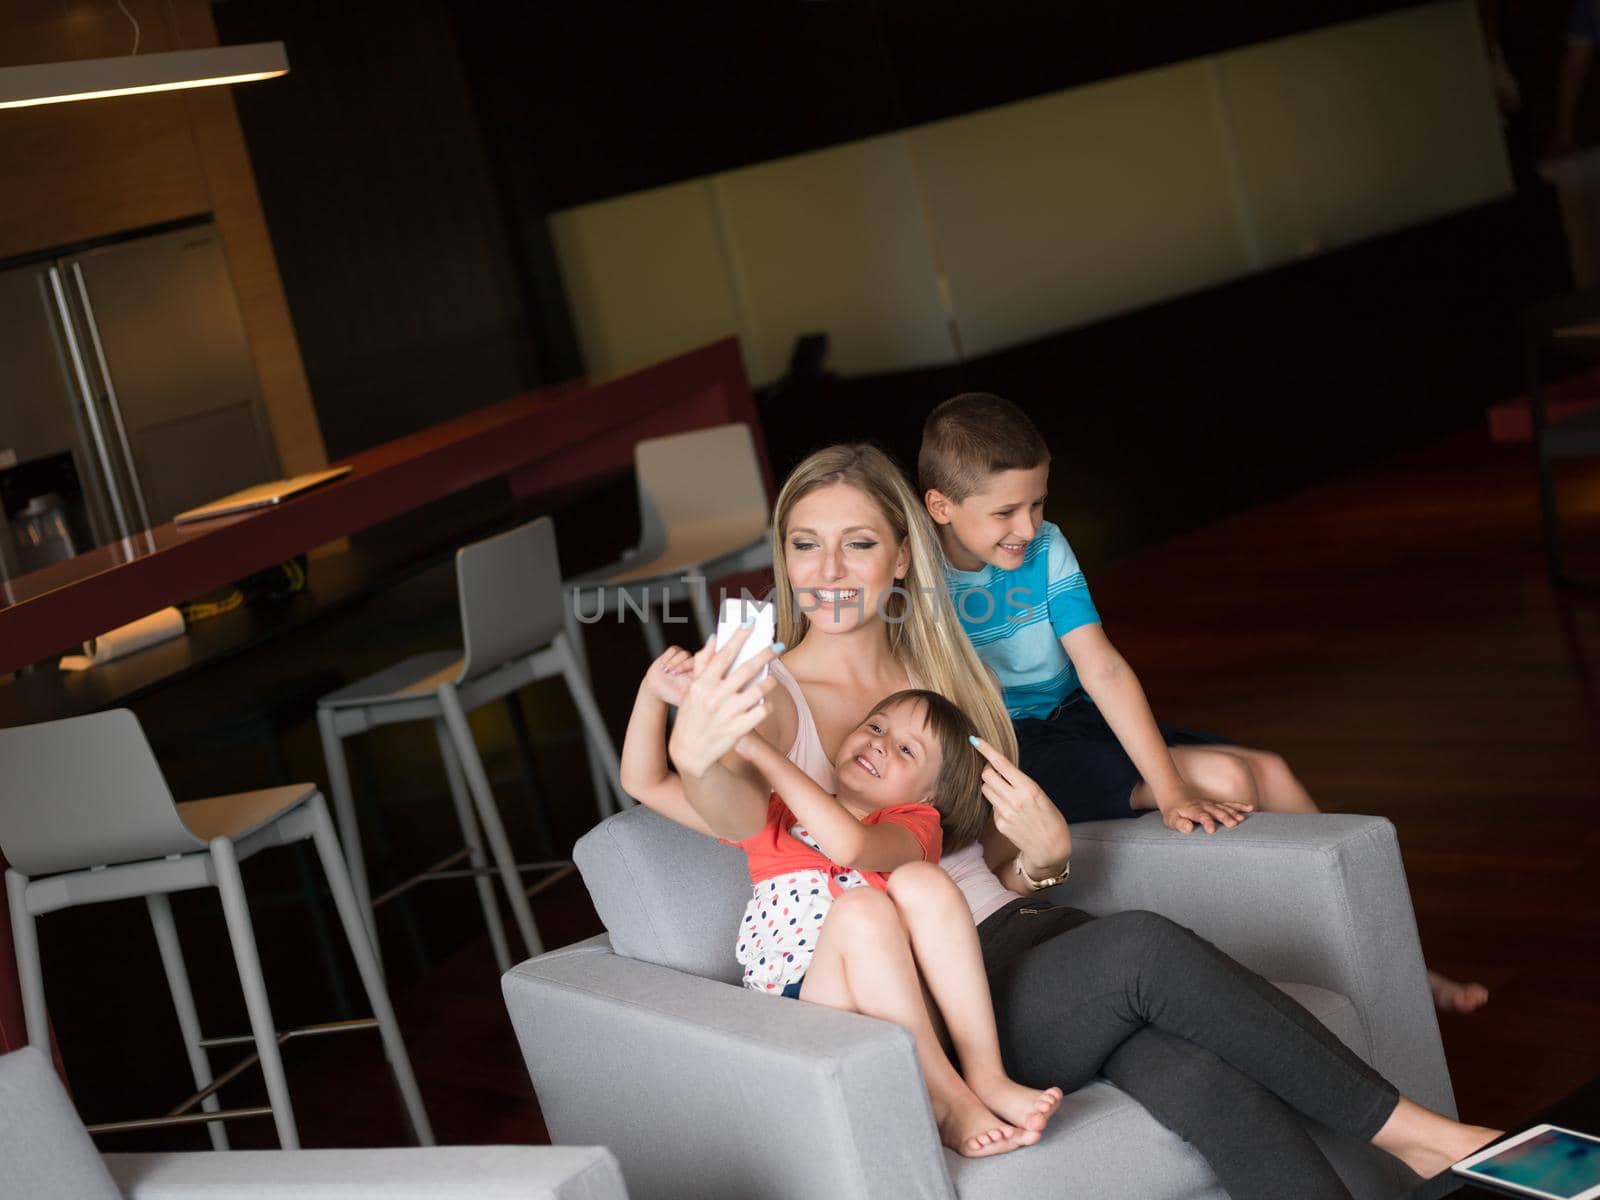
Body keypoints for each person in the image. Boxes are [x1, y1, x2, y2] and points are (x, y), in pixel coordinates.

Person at [625, 441, 1498, 1199]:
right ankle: (1417, 1134)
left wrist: (1039, 859)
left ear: (900, 556)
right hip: (942, 998)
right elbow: (736, 808)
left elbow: (990, 850)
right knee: (1146, 949)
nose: (829, 572)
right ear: (781, 557)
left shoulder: (947, 674)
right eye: (805, 546)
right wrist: (702, 751)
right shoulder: (771, 692)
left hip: (1025, 935)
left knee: (1198, 1077)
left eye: (857, 544)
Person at [917, 392, 1489, 1015]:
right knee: (1228, 776)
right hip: (1016, 751)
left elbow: (1102, 667)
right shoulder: (918, 577)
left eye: (1038, 503)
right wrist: (1171, 791)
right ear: (940, 506)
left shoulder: (1045, 545)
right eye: (1006, 512)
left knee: (1269, 768)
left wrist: (1168, 784)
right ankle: (1314, 975)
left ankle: (1406, 966)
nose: (1028, 527)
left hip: (1077, 718)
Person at [623, 660, 1064, 1157]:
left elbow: (850, 846)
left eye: (904, 749)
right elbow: (644, 782)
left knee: (918, 884)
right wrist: (652, 691)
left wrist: (761, 751)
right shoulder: (771, 817)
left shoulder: (915, 826)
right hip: (804, 1009)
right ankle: (947, 1100)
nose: (879, 742)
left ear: (931, 794)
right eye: (875, 727)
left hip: (897, 1001)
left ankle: (986, 1075)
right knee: (862, 911)